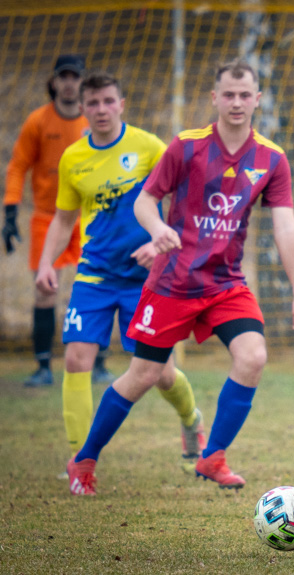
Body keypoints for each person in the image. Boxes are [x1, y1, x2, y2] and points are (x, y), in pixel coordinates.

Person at [65, 60, 294, 496]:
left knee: (253, 356)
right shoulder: (186, 147)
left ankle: (213, 457)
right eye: (229, 94)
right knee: (144, 374)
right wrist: (158, 229)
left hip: (225, 284)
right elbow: (144, 202)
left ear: (257, 98)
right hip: (172, 283)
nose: (237, 103)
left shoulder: (272, 159)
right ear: (215, 98)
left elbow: (285, 227)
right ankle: (84, 458)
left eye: (246, 95)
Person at [34, 70, 206, 477]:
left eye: (108, 101)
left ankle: (192, 423)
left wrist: (160, 239)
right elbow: (62, 219)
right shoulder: (73, 157)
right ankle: (80, 457)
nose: (100, 110)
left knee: (159, 373)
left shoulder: (147, 146)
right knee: (76, 358)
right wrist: (45, 263)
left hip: (147, 278)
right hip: (94, 274)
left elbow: (185, 197)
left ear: (121, 104)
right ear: (82, 108)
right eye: (92, 103)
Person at [2, 54, 115, 386]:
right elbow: (18, 165)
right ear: (54, 83)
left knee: (94, 289)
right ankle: (42, 367)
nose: (69, 83)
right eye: (63, 77)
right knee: (45, 292)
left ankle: (99, 365)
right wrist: (10, 210)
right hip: (47, 219)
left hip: (89, 218)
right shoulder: (38, 121)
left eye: (75, 77)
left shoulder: (93, 122)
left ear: (82, 84)